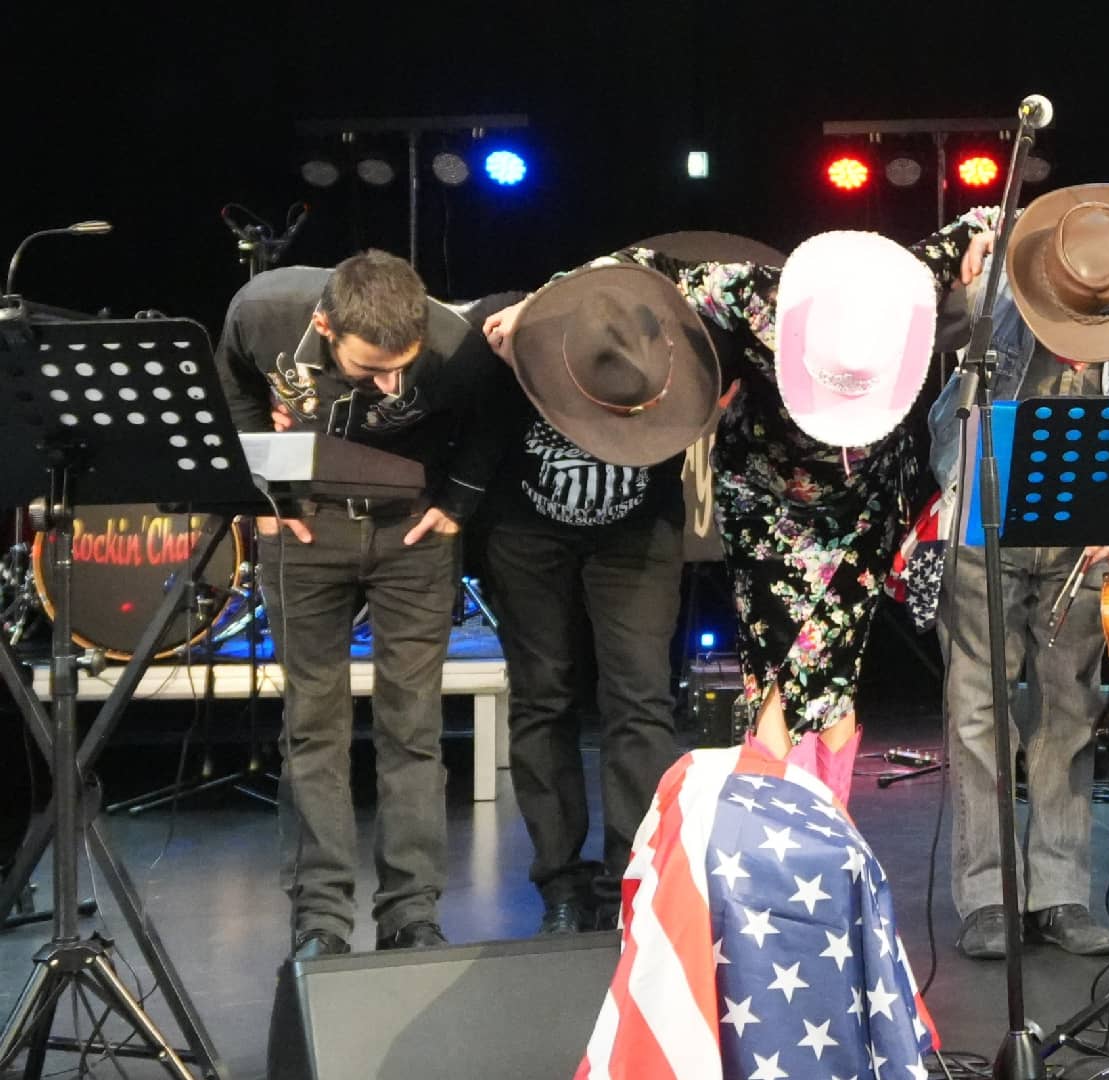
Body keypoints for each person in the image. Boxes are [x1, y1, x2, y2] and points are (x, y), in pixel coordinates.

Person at [486, 211, 996, 804]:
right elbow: (635, 267)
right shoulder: (751, 292)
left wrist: (986, 238)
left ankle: (827, 827)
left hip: (865, 501)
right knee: (777, 667)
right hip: (764, 497)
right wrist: (543, 304)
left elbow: (984, 218)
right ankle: (783, 824)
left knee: (835, 666)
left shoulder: (909, 286)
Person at [213, 250, 513, 960]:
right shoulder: (265, 310)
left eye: (402, 365)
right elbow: (230, 383)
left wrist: (457, 503)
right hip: (307, 525)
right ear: (324, 323)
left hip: (411, 531)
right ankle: (320, 921)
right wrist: (260, 490)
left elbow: (498, 412)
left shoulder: (453, 341)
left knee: (412, 728)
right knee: (313, 728)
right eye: (371, 366)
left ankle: (412, 914)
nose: (391, 382)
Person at [929, 184, 1109, 959]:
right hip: (989, 514)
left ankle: (1060, 892)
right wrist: (958, 278)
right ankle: (987, 896)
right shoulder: (998, 286)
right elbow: (936, 395)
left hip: (1090, 532)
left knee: (1071, 709)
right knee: (979, 704)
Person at [460, 273, 720, 936]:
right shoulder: (511, 326)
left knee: (640, 696)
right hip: (525, 529)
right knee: (542, 696)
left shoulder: (678, 347)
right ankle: (560, 884)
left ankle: (634, 878)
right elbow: (443, 339)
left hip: (636, 529)